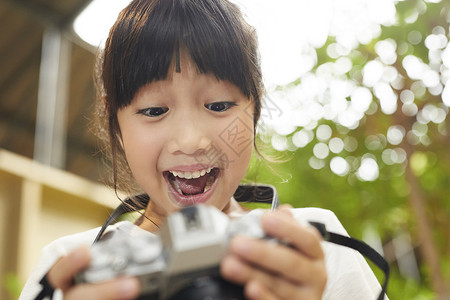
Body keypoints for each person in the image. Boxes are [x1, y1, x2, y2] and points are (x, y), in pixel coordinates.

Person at [20, 0, 386, 299]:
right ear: (115, 123)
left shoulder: (312, 246)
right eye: (153, 110)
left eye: (219, 105)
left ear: (255, 110)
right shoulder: (68, 268)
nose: (191, 140)